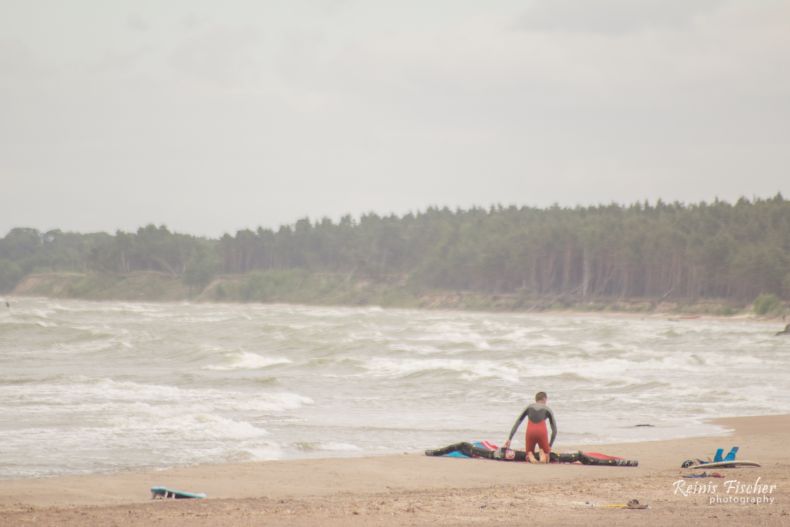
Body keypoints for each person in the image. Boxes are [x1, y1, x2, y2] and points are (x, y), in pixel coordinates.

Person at [503, 391, 557, 463]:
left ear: (536, 399)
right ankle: (543, 454)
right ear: (544, 399)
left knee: (528, 455)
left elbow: (517, 423)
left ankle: (530, 456)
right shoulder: (548, 409)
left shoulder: (529, 407)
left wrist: (509, 439)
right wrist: (550, 445)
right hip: (542, 432)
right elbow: (554, 430)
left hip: (530, 432)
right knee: (547, 458)